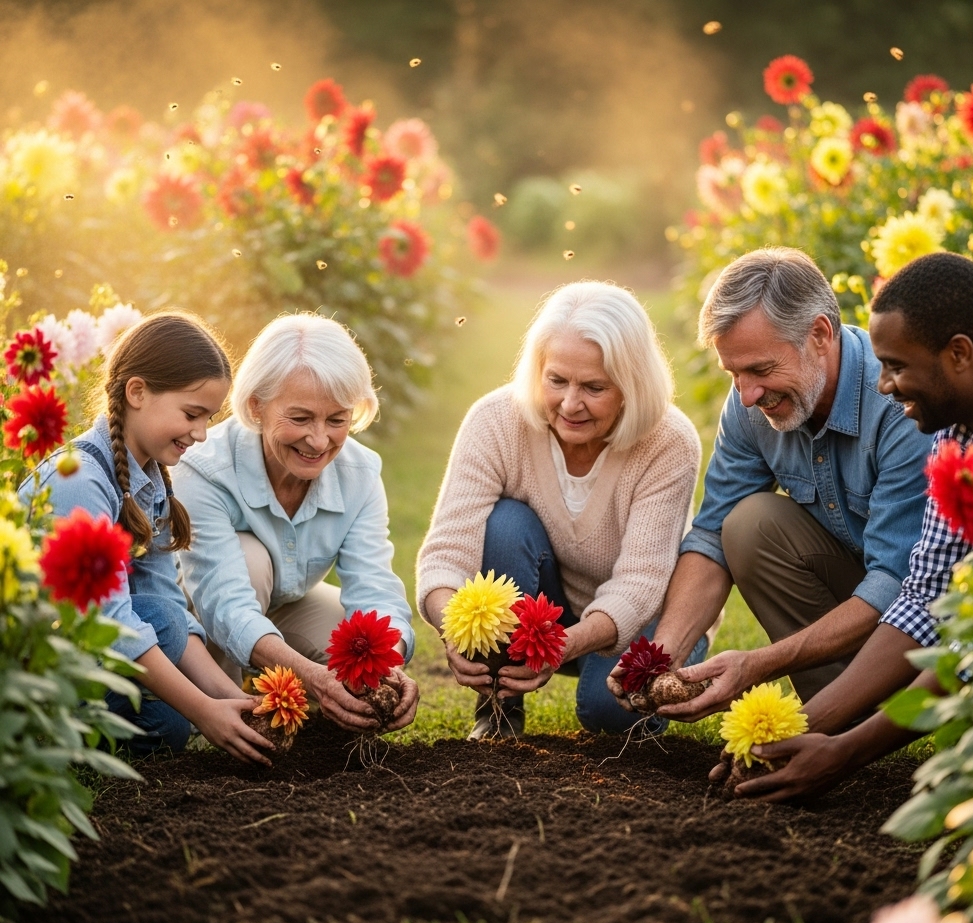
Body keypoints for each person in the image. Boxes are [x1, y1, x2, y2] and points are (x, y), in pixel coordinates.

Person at [725, 252, 973, 801]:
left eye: (897, 367)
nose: (884, 386)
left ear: (959, 353)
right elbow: (926, 600)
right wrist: (799, 730)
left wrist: (850, 751)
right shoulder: (955, 438)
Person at [608, 247, 932, 720]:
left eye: (760, 369)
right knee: (747, 525)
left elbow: (897, 585)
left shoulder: (898, 407)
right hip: (862, 593)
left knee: (756, 525)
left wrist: (757, 666)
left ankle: (860, 711)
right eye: (733, 373)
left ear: (820, 334)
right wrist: (661, 654)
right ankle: (837, 712)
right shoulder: (749, 404)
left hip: (928, 618)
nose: (747, 394)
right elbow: (713, 535)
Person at [416, 280, 705, 740]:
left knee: (606, 714)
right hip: (549, 609)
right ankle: (499, 704)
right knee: (506, 525)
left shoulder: (668, 442)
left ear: (632, 386)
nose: (571, 404)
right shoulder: (495, 421)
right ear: (538, 372)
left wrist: (562, 645)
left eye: (594, 387)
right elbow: (447, 552)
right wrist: (453, 629)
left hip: (644, 617)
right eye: (556, 381)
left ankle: (673, 673)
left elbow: (643, 581)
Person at [25, 311, 275, 764]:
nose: (201, 434)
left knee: (170, 723)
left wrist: (233, 700)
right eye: (191, 414)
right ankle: (38, 735)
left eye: (209, 418)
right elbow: (117, 625)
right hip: (33, 663)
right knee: (161, 637)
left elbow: (168, 606)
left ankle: (68, 735)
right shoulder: (80, 481)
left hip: (81, 656)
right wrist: (204, 710)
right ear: (136, 392)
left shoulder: (150, 482)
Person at [173, 313, 419, 735]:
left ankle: (290, 684)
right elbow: (226, 602)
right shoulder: (206, 469)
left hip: (287, 604)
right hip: (198, 611)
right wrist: (315, 679)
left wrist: (388, 663)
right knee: (251, 561)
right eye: (301, 418)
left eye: (337, 420)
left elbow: (374, 587)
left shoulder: (359, 473)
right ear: (256, 406)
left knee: (362, 645)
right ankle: (223, 698)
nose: (320, 441)